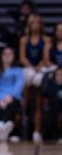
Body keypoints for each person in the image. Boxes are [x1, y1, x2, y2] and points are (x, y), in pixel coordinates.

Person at [19, 13, 51, 143]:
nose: (36, 25)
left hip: (41, 68)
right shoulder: (24, 39)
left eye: (38, 22)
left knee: (38, 98)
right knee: (28, 79)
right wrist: (31, 67)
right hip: (29, 67)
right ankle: (25, 110)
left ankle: (37, 130)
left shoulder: (46, 39)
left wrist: (39, 66)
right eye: (33, 23)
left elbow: (46, 57)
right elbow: (22, 57)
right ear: (29, 25)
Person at [0, 46, 25, 143]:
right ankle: (4, 129)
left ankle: (0, 127)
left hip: (13, 97)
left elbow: (19, 85)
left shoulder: (18, 70)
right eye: (5, 54)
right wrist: (1, 98)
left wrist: (10, 96)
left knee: (13, 105)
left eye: (10, 54)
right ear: (1, 56)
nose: (7, 56)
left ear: (14, 56)